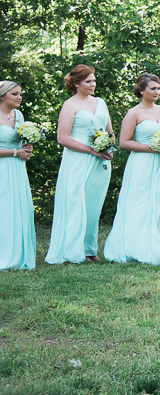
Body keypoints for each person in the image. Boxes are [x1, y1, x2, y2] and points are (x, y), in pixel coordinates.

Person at [46, 65, 114, 264]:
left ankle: (90, 250)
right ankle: (72, 249)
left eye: (94, 80)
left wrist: (107, 147)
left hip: (100, 160)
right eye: (88, 81)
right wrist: (91, 150)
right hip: (78, 159)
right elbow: (63, 138)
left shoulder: (100, 102)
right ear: (76, 83)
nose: (93, 84)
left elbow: (109, 132)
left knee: (93, 205)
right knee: (76, 203)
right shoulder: (70, 105)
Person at [103, 74, 160, 265]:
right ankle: (133, 246)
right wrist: (152, 148)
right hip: (141, 163)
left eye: (158, 88)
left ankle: (152, 242)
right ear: (141, 90)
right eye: (153, 89)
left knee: (157, 202)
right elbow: (124, 142)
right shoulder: (133, 113)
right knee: (139, 202)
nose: (157, 92)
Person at [0, 81, 36, 271]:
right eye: (14, 94)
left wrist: (27, 146)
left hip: (17, 168)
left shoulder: (19, 115)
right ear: (2, 96)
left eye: (20, 94)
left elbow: (21, 139)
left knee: (19, 207)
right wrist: (14, 153)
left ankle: (19, 254)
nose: (19, 97)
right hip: (3, 166)